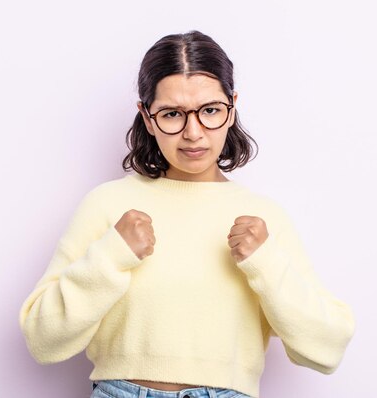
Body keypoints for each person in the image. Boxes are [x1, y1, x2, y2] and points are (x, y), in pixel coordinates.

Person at [19, 30, 355, 398]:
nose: (193, 133)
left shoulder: (263, 218)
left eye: (210, 110)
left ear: (232, 108)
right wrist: (111, 256)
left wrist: (267, 263)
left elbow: (327, 349)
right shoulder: (108, 205)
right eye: (172, 114)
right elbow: (43, 340)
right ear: (147, 118)